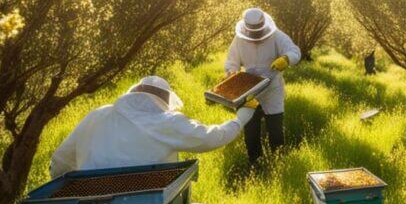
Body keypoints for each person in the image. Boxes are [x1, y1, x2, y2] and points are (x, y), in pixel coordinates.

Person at [49, 75, 254, 178]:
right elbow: (211, 137)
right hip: (147, 199)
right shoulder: (166, 122)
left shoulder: (97, 115)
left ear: (134, 93)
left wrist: (64, 189)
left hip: (94, 201)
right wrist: (240, 119)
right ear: (164, 100)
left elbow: (61, 159)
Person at [224, 7, 301, 165]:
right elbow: (232, 62)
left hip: (272, 88)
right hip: (248, 90)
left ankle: (279, 164)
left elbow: (295, 51)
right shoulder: (239, 39)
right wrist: (231, 74)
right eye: (253, 33)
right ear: (246, 29)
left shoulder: (276, 36)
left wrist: (286, 59)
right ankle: (255, 164)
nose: (256, 36)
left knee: (275, 131)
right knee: (251, 131)